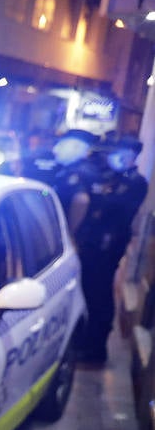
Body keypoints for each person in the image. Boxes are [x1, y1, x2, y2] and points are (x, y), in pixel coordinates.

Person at [74, 135, 148, 363]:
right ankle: (85, 342)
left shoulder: (135, 182)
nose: (113, 157)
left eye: (120, 154)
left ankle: (96, 349)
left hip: (108, 247)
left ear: (131, 157)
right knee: (88, 292)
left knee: (99, 296)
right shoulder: (110, 176)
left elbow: (112, 209)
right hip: (93, 243)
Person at [42, 129, 102, 234]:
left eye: (62, 145)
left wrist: (69, 232)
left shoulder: (77, 172)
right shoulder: (75, 168)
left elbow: (81, 201)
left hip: (73, 233)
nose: (55, 149)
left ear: (76, 148)